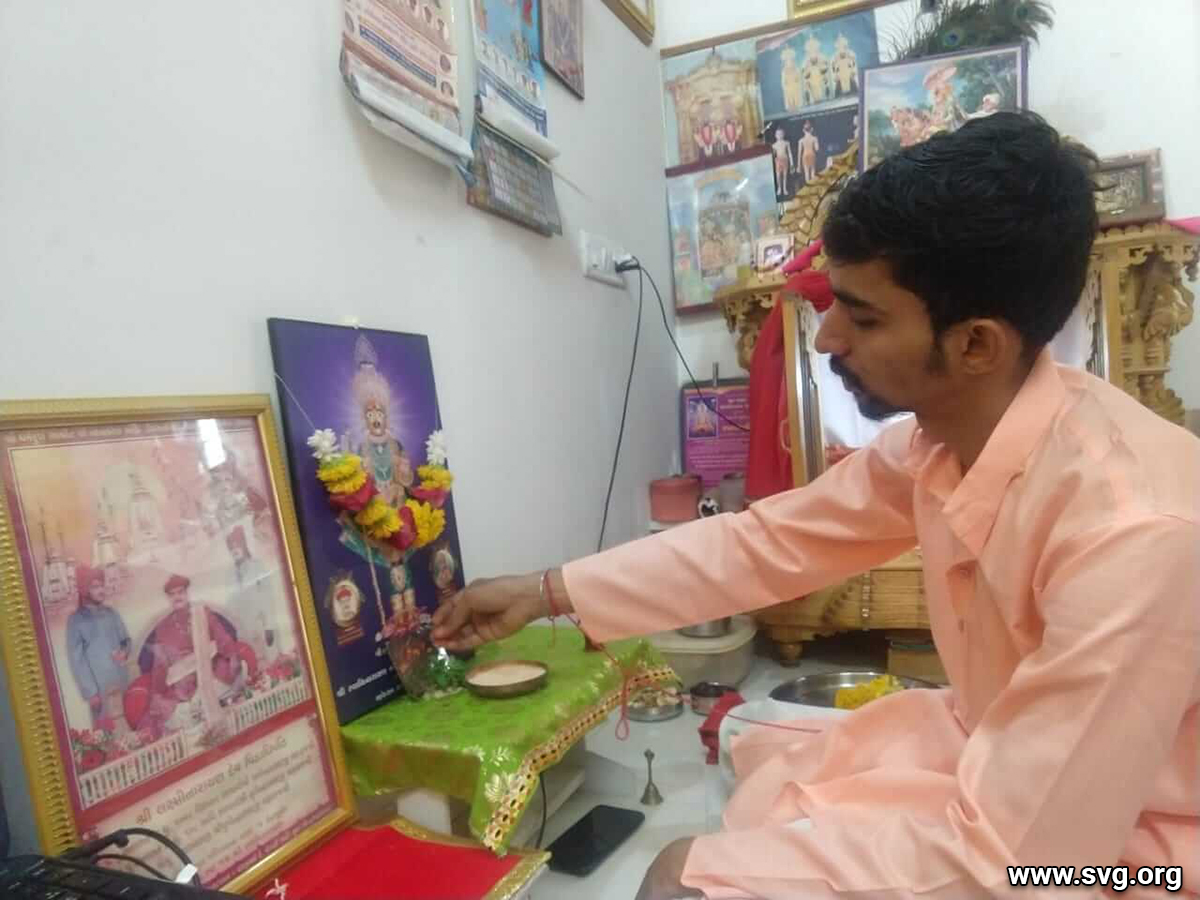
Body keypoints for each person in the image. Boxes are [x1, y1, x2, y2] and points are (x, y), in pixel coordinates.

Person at [433, 112, 1200, 899]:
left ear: (976, 344)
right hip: (1015, 761)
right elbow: (767, 543)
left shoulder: (1134, 534)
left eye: (862, 316)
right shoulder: (941, 442)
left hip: (1138, 841)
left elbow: (1024, 864)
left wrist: (708, 872)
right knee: (770, 763)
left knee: (690, 879)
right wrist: (545, 591)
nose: (827, 338)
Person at [65, 566, 131, 730]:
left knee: (129, 720)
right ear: (85, 590)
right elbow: (77, 660)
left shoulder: (111, 613)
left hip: (121, 680)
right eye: (95, 587)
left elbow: (126, 640)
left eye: (102, 585)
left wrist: (124, 652)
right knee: (107, 731)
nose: (101, 590)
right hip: (99, 688)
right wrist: (91, 692)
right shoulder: (76, 621)